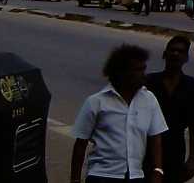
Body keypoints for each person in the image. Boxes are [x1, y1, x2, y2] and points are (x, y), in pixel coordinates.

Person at [70, 44, 169, 183]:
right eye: (138, 70)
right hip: (102, 176)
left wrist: (158, 170)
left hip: (135, 176)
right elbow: (81, 144)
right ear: (122, 73)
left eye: (143, 69)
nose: (143, 75)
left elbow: (155, 137)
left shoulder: (149, 100)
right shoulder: (96, 102)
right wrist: (75, 179)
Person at [146, 36, 194, 183]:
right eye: (172, 50)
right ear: (164, 54)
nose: (175, 54)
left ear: (186, 58)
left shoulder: (192, 87)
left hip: (175, 151)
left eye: (180, 51)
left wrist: (192, 159)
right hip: (146, 151)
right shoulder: (149, 82)